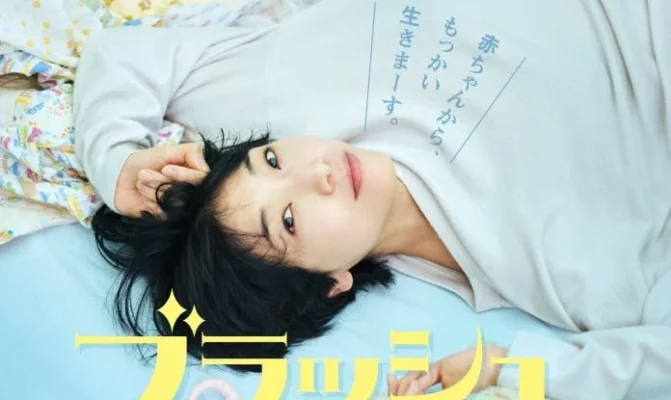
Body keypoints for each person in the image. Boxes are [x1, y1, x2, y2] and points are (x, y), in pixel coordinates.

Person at [72, 0, 671, 398]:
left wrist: (117, 161)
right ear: (330, 284)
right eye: (289, 220)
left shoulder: (286, 93)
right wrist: (511, 369)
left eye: (273, 160)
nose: (317, 172)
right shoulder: (572, 276)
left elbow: (120, 55)